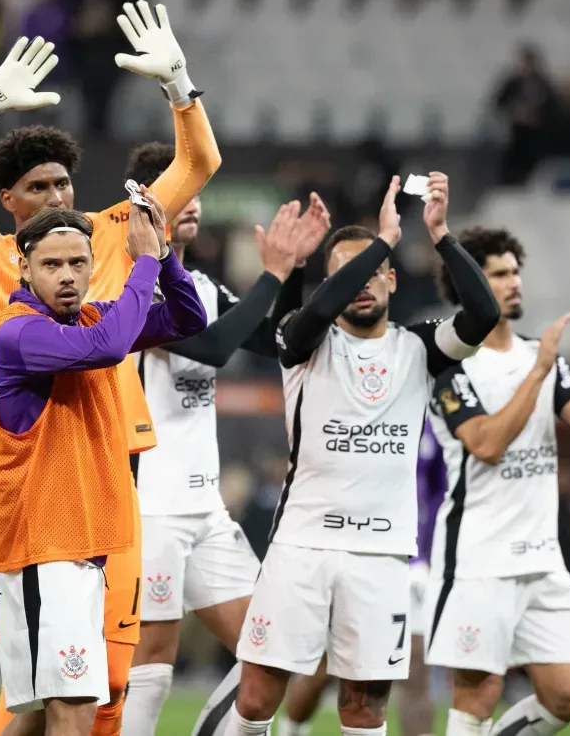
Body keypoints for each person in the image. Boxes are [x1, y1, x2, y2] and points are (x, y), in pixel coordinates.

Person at [0, 4, 221, 731]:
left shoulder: (104, 232)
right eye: (38, 190)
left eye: (63, 185)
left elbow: (199, 165)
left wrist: (179, 84)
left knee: (102, 686)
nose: (57, 200)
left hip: (112, 473)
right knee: (48, 695)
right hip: (34, 478)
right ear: (9, 201)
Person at [217, 173, 500, 736]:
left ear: (393, 281)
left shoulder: (418, 348)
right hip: (303, 544)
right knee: (255, 699)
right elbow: (317, 313)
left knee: (364, 709)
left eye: (374, 273)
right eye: (349, 274)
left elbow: (483, 314)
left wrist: (440, 235)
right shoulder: (301, 340)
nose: (361, 284)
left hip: (381, 554)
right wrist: (382, 241)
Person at [114, 143, 331, 735]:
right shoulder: (128, 286)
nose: (190, 203)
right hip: (146, 506)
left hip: (204, 510)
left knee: (271, 655)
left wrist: (296, 269)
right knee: (151, 665)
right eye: (175, 190)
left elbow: (277, 339)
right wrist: (272, 274)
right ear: (142, 206)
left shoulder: (202, 286)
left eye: (195, 190)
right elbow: (210, 346)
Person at [0, 196, 206, 736]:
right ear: (24, 268)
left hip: (81, 550)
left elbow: (187, 317)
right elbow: (108, 349)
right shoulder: (18, 333)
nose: (67, 276)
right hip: (46, 551)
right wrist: (145, 264)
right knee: (75, 707)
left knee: (43, 715)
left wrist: (166, 255)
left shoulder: (91, 319)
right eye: (52, 265)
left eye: (78, 263)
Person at [425, 227, 570, 736]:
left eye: (515, 272)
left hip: (541, 557)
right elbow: (485, 443)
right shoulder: (448, 361)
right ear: (471, 286)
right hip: (478, 558)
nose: (514, 283)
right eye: (499, 274)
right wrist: (539, 374)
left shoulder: (540, 354)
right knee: (477, 695)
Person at [271, 420, 447, 736]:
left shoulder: (431, 424)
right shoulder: (355, 408)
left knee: (414, 665)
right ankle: (290, 730)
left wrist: (430, 548)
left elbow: (438, 489)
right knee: (328, 667)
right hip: (349, 551)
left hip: (408, 559)